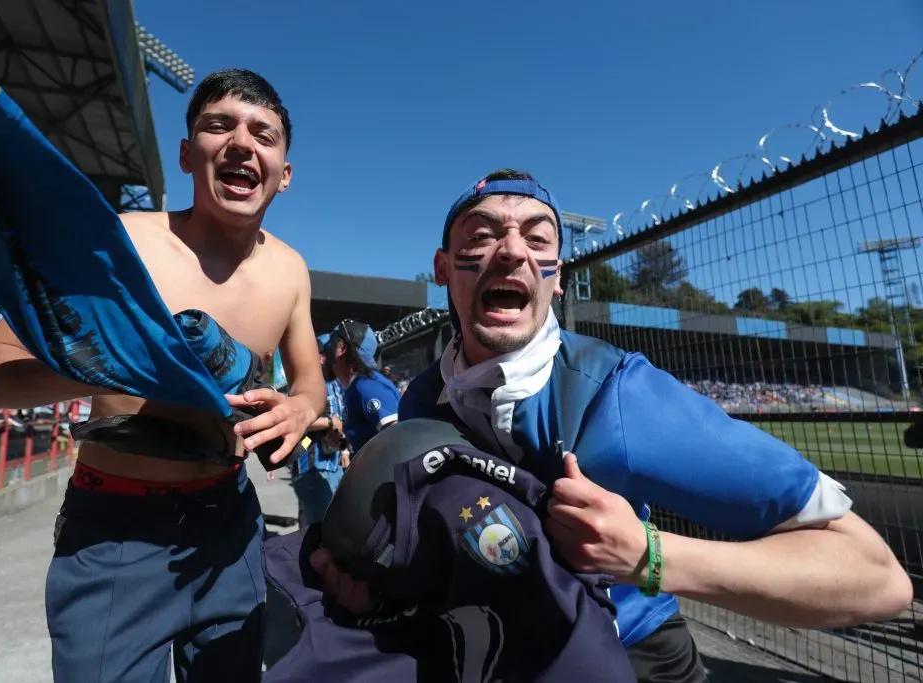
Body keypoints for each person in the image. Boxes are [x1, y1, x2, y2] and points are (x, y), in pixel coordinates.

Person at [310, 169, 913, 683]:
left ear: (558, 276)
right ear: (443, 268)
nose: (512, 251)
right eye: (483, 235)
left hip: (633, 657)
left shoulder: (615, 394)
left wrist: (649, 556)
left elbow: (876, 578)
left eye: (537, 238)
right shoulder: (422, 401)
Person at [0, 69, 326, 682]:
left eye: (263, 134)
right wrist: (112, 367)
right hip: (117, 532)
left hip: (230, 525)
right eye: (219, 126)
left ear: (284, 172)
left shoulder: (291, 271)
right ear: (187, 154)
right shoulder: (121, 244)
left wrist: (298, 409)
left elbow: (309, 381)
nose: (242, 143)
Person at [290, 334, 347, 528]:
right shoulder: (306, 386)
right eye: (323, 354)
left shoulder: (337, 385)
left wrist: (344, 448)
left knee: (329, 527)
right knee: (321, 532)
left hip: (333, 466)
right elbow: (297, 421)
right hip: (312, 469)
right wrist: (330, 422)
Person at [322, 319, 400, 454]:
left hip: (321, 470)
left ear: (341, 349)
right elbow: (371, 438)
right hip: (312, 465)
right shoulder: (354, 388)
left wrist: (328, 422)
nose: (324, 356)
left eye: (329, 346)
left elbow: (399, 440)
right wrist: (346, 442)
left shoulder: (368, 386)